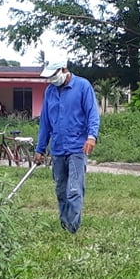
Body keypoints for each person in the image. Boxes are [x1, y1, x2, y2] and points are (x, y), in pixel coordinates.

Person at [33, 59, 100, 233]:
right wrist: (40, 148)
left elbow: (92, 113)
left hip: (77, 147)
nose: (51, 80)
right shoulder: (50, 92)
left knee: (74, 190)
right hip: (58, 148)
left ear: (64, 69)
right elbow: (45, 123)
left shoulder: (83, 86)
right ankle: (64, 224)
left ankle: (72, 228)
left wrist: (91, 136)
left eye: (54, 75)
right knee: (61, 190)